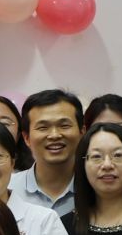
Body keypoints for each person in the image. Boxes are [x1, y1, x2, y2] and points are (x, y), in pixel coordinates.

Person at [12, 89, 84, 217]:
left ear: (82, 132)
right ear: (26, 138)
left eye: (64, 125)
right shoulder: (8, 189)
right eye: (43, 127)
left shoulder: (98, 188)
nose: (54, 135)